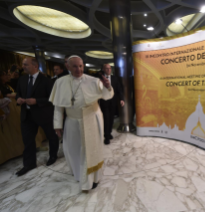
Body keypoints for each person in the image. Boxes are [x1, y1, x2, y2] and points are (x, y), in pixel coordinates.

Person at [49, 55, 114, 191]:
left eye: (81, 66)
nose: (78, 69)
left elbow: (107, 97)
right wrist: (57, 125)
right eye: (75, 66)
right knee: (73, 149)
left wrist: (108, 87)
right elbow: (58, 107)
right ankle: (80, 175)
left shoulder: (93, 80)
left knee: (92, 149)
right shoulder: (60, 82)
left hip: (92, 118)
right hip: (72, 121)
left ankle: (94, 178)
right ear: (67, 66)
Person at [15, 57, 59, 176]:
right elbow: (18, 93)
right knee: (28, 141)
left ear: (35, 66)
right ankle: (29, 164)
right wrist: (18, 99)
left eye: (26, 64)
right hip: (27, 115)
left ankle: (53, 156)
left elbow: (52, 99)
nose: (23, 66)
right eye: (23, 64)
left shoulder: (46, 81)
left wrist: (37, 101)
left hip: (43, 114)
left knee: (51, 136)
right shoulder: (22, 79)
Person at [96, 63, 124, 145]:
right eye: (106, 68)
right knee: (106, 119)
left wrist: (122, 99)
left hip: (113, 102)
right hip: (104, 102)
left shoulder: (115, 78)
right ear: (103, 69)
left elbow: (119, 89)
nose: (108, 70)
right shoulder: (99, 79)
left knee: (111, 119)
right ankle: (106, 136)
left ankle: (109, 132)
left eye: (110, 68)